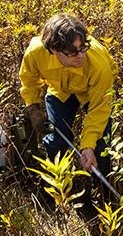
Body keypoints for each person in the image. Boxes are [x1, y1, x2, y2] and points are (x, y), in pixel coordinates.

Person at [19, 13, 117, 180]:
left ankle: (102, 192)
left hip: (91, 93)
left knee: (101, 147)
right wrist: (33, 108)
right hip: (60, 91)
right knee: (56, 142)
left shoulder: (98, 65)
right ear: (54, 50)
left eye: (82, 48)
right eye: (72, 52)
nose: (80, 56)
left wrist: (88, 146)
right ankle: (60, 189)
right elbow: (29, 80)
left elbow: (99, 109)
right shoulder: (36, 52)